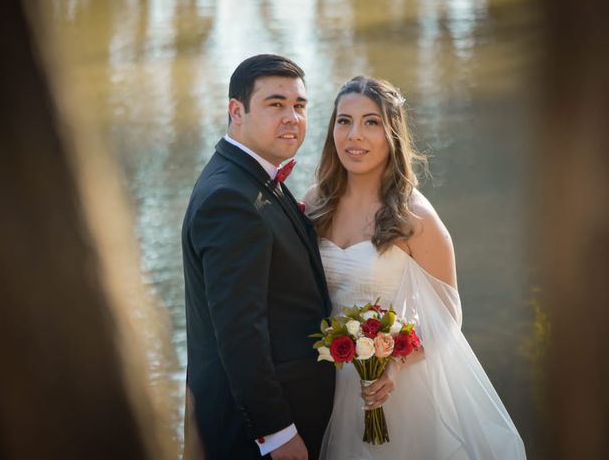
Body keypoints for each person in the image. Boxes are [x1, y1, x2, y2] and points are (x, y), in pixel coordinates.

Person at [307, 76, 526, 459]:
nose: (354, 135)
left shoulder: (415, 217)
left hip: (396, 386)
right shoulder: (315, 204)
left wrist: (392, 366)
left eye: (371, 122)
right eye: (344, 121)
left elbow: (448, 314)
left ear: (391, 132)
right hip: (326, 381)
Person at [181, 54, 335, 460]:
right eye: (275, 104)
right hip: (259, 438)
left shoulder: (251, 177)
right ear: (236, 111)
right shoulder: (230, 198)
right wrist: (277, 434)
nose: (292, 117)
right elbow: (239, 332)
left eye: (299, 106)